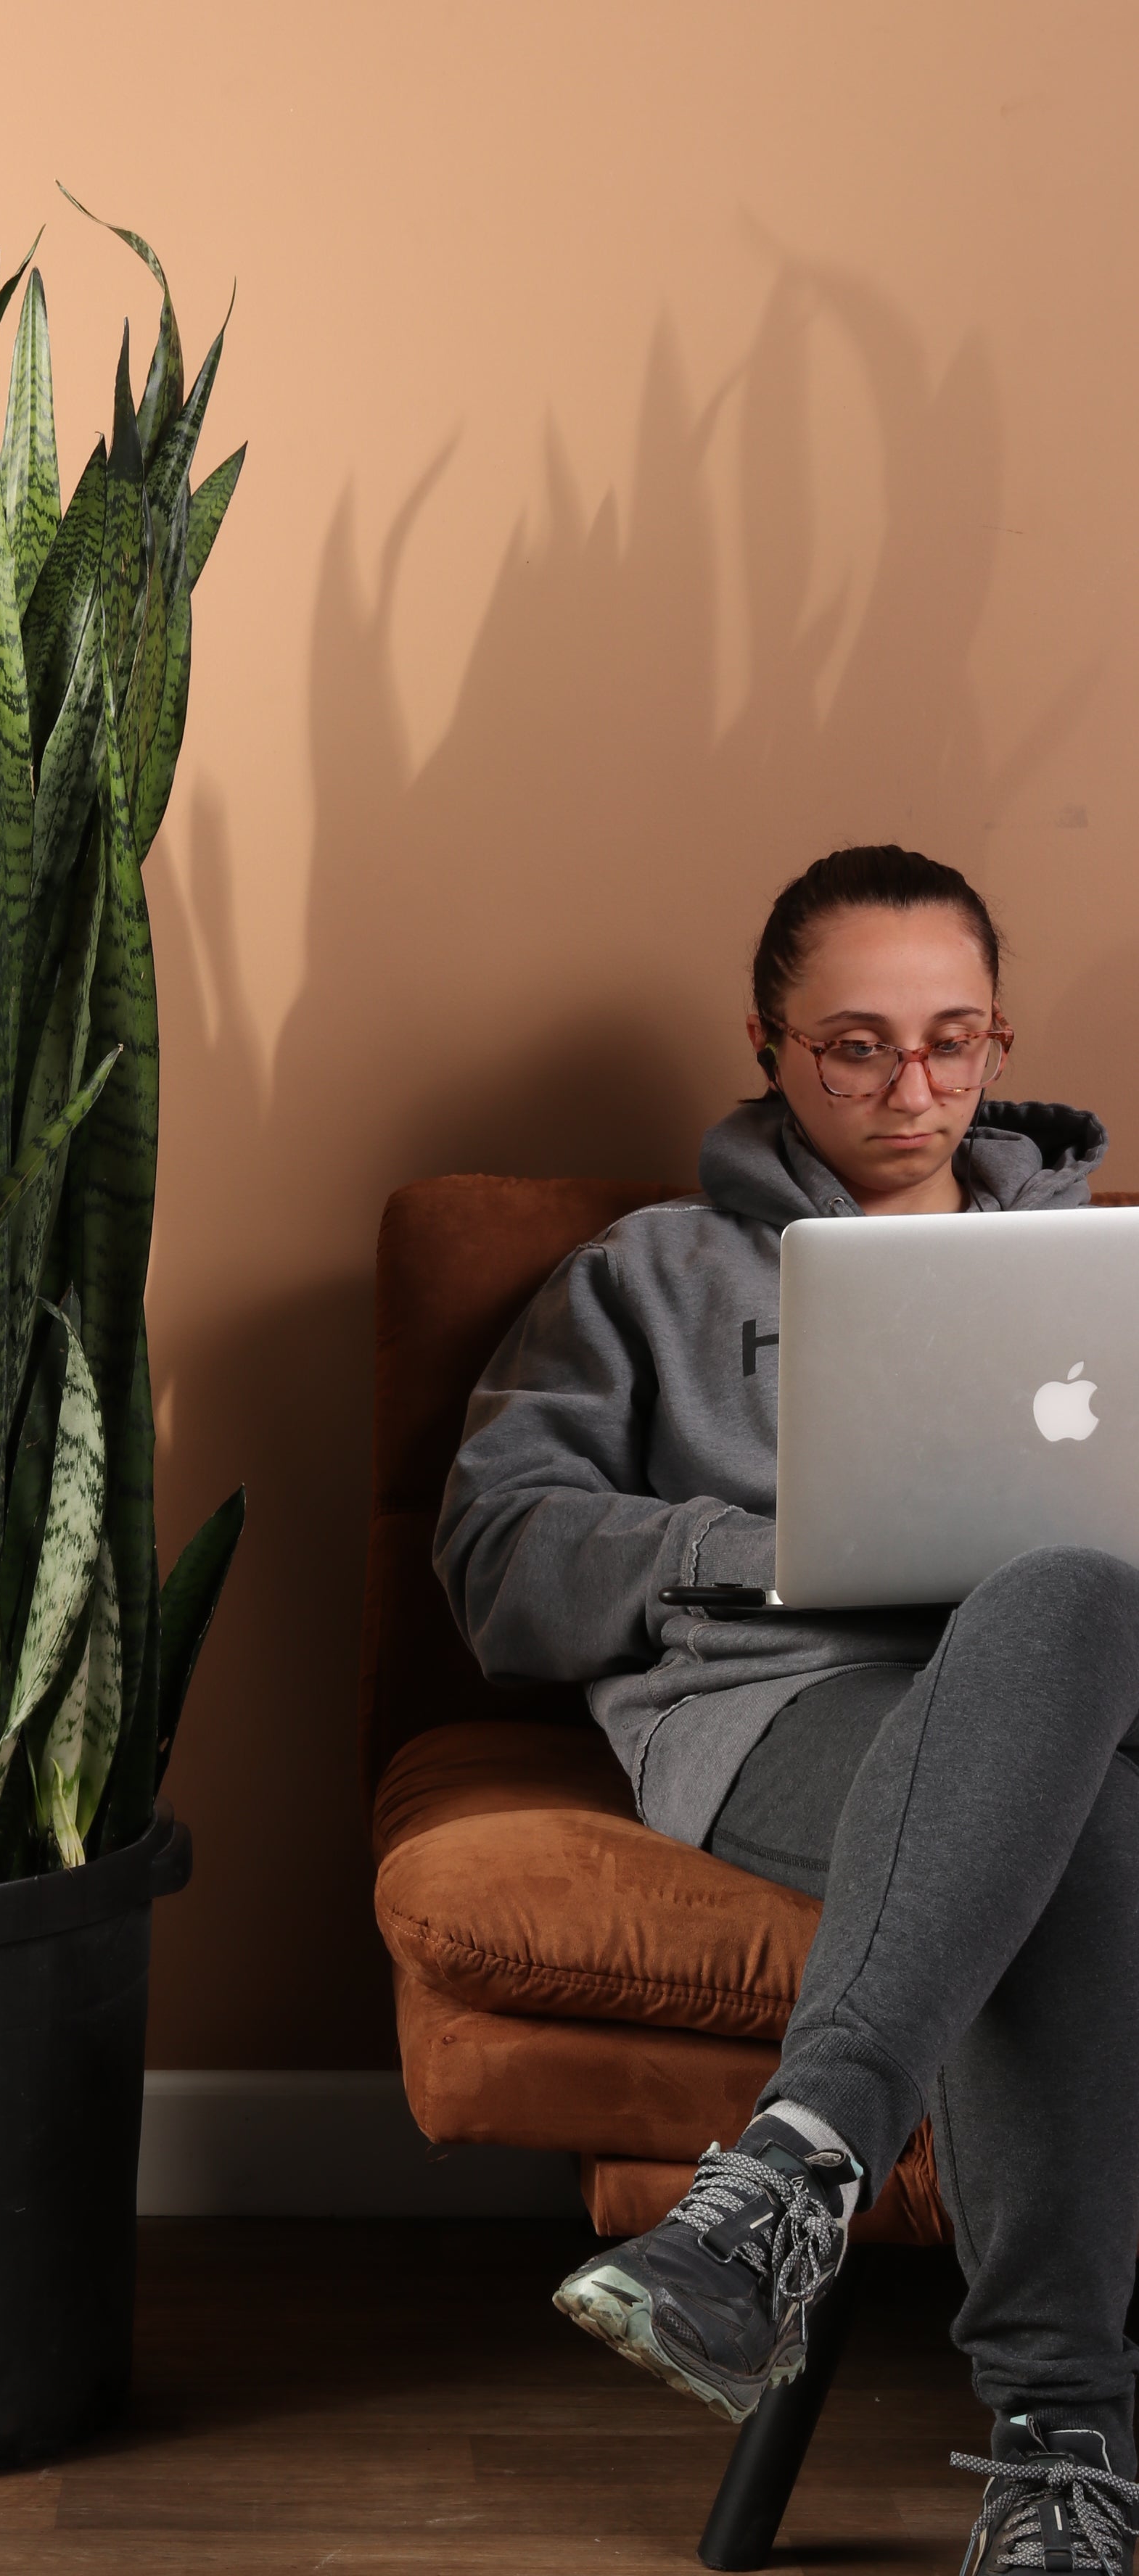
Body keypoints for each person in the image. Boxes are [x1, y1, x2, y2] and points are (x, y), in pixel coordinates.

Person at [434, 845, 1139, 2576]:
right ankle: (1064, 2451)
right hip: (794, 1708)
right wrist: (774, 1551)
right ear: (765, 1043)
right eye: (858, 1046)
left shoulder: (1107, 1277)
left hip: (1089, 1689)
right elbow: (496, 1556)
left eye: (957, 1041)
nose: (917, 1087)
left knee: (1057, 1609)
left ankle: (780, 2196)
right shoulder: (652, 1276)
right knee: (1079, 1818)